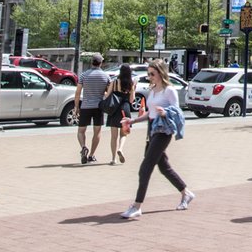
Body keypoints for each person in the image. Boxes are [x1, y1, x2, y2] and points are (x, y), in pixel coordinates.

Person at [118, 59, 193, 218]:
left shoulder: (169, 90)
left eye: (152, 73)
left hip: (163, 131)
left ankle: (137, 205)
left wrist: (165, 113)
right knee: (164, 167)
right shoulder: (152, 90)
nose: (149, 76)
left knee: (145, 168)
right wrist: (133, 120)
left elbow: (178, 113)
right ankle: (186, 193)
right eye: (148, 74)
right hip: (152, 129)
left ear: (161, 73)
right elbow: (149, 113)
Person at [75, 54, 111, 164]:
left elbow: (78, 92)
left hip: (86, 105)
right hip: (98, 106)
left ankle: (83, 147)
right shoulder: (105, 76)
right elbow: (108, 93)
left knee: (81, 131)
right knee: (97, 131)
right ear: (101, 63)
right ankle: (91, 155)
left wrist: (76, 106)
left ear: (91, 62)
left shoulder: (84, 75)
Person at [102, 64, 136, 164]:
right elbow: (131, 100)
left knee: (113, 136)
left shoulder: (115, 82)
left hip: (114, 109)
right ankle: (120, 149)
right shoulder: (131, 84)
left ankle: (113, 159)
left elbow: (107, 95)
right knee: (124, 133)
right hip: (125, 109)